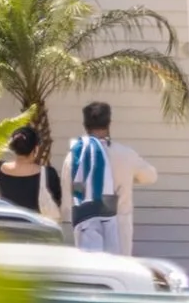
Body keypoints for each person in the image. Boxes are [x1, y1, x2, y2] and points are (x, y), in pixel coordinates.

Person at [62, 101, 158, 255]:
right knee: (118, 267)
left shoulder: (74, 156)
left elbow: (68, 194)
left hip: (86, 224)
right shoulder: (125, 154)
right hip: (119, 226)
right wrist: (129, 177)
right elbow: (151, 176)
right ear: (109, 123)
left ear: (85, 125)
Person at [0, 125, 61, 220]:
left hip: (2, 226)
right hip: (35, 227)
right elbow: (57, 200)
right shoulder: (48, 174)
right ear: (36, 149)